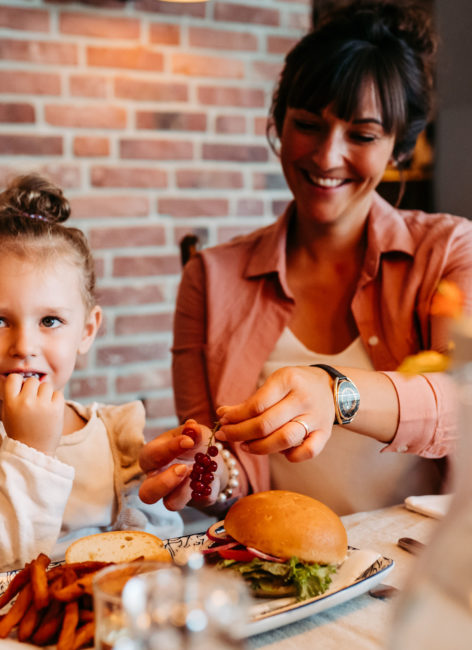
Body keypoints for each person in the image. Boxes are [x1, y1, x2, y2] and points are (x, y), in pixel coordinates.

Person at [138, 0, 472, 516]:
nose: (327, 156)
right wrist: (202, 473)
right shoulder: (210, 279)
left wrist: (335, 392)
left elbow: (463, 401)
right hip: (290, 579)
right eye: (309, 124)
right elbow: (226, 469)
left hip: (417, 568)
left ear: (399, 147)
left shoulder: (448, 250)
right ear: (279, 121)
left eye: (361, 135)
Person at [0, 174, 182, 570]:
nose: (23, 346)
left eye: (49, 321)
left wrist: (176, 479)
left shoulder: (114, 437)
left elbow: (156, 552)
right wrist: (30, 454)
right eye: (0, 321)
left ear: (86, 330)